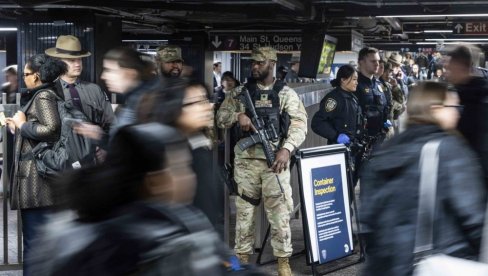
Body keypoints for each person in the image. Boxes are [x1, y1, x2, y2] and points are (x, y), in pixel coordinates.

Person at [30, 123, 262, 275]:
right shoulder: (169, 240)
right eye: (181, 167)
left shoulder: (68, 227)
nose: (190, 176)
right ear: (155, 181)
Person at [359, 82, 486, 276]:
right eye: (454, 107)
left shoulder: (388, 150)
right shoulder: (448, 148)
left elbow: (368, 221)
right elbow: (474, 218)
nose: (458, 113)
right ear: (435, 109)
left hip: (388, 266)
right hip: (437, 263)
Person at [217, 47, 308, 276]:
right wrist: (238, 116)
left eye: (259, 63)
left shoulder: (285, 93)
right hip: (245, 164)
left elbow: (299, 124)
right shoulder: (239, 93)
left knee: (280, 216)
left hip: (275, 163)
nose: (254, 66)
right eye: (253, 62)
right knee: (244, 216)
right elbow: (220, 117)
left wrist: (286, 149)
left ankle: (283, 262)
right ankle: (240, 261)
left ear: (272, 63)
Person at [5, 54, 66, 275]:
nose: (24, 79)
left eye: (27, 74)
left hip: (38, 185)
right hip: (37, 184)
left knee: (34, 245)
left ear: (37, 76)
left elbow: (52, 129)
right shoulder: (44, 94)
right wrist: (18, 127)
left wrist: (22, 126)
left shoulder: (43, 96)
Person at [45, 35, 114, 162]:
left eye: (80, 60)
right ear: (58, 61)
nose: (77, 64)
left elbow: (110, 123)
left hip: (93, 159)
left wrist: (105, 147)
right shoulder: (49, 92)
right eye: (71, 60)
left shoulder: (94, 90)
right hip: (62, 161)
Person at [74, 47, 159, 144]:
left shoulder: (145, 104)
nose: (103, 76)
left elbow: (133, 149)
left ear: (130, 73)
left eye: (109, 70)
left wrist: (101, 137)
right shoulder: (136, 99)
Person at [444, 44, 488, 185]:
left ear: (460, 66)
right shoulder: (459, 95)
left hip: (476, 177)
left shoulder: (480, 98)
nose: (446, 72)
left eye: (449, 68)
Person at [311, 64, 361, 145]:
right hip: (338, 148)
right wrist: (336, 136)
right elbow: (317, 123)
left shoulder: (353, 97)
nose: (357, 83)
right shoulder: (334, 99)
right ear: (343, 80)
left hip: (353, 145)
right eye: (354, 79)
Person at [356, 47, 389, 144]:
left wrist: (386, 125)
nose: (377, 64)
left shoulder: (379, 84)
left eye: (378, 61)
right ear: (361, 62)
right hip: (361, 140)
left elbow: (385, 107)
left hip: (378, 139)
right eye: (373, 61)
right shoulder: (355, 84)